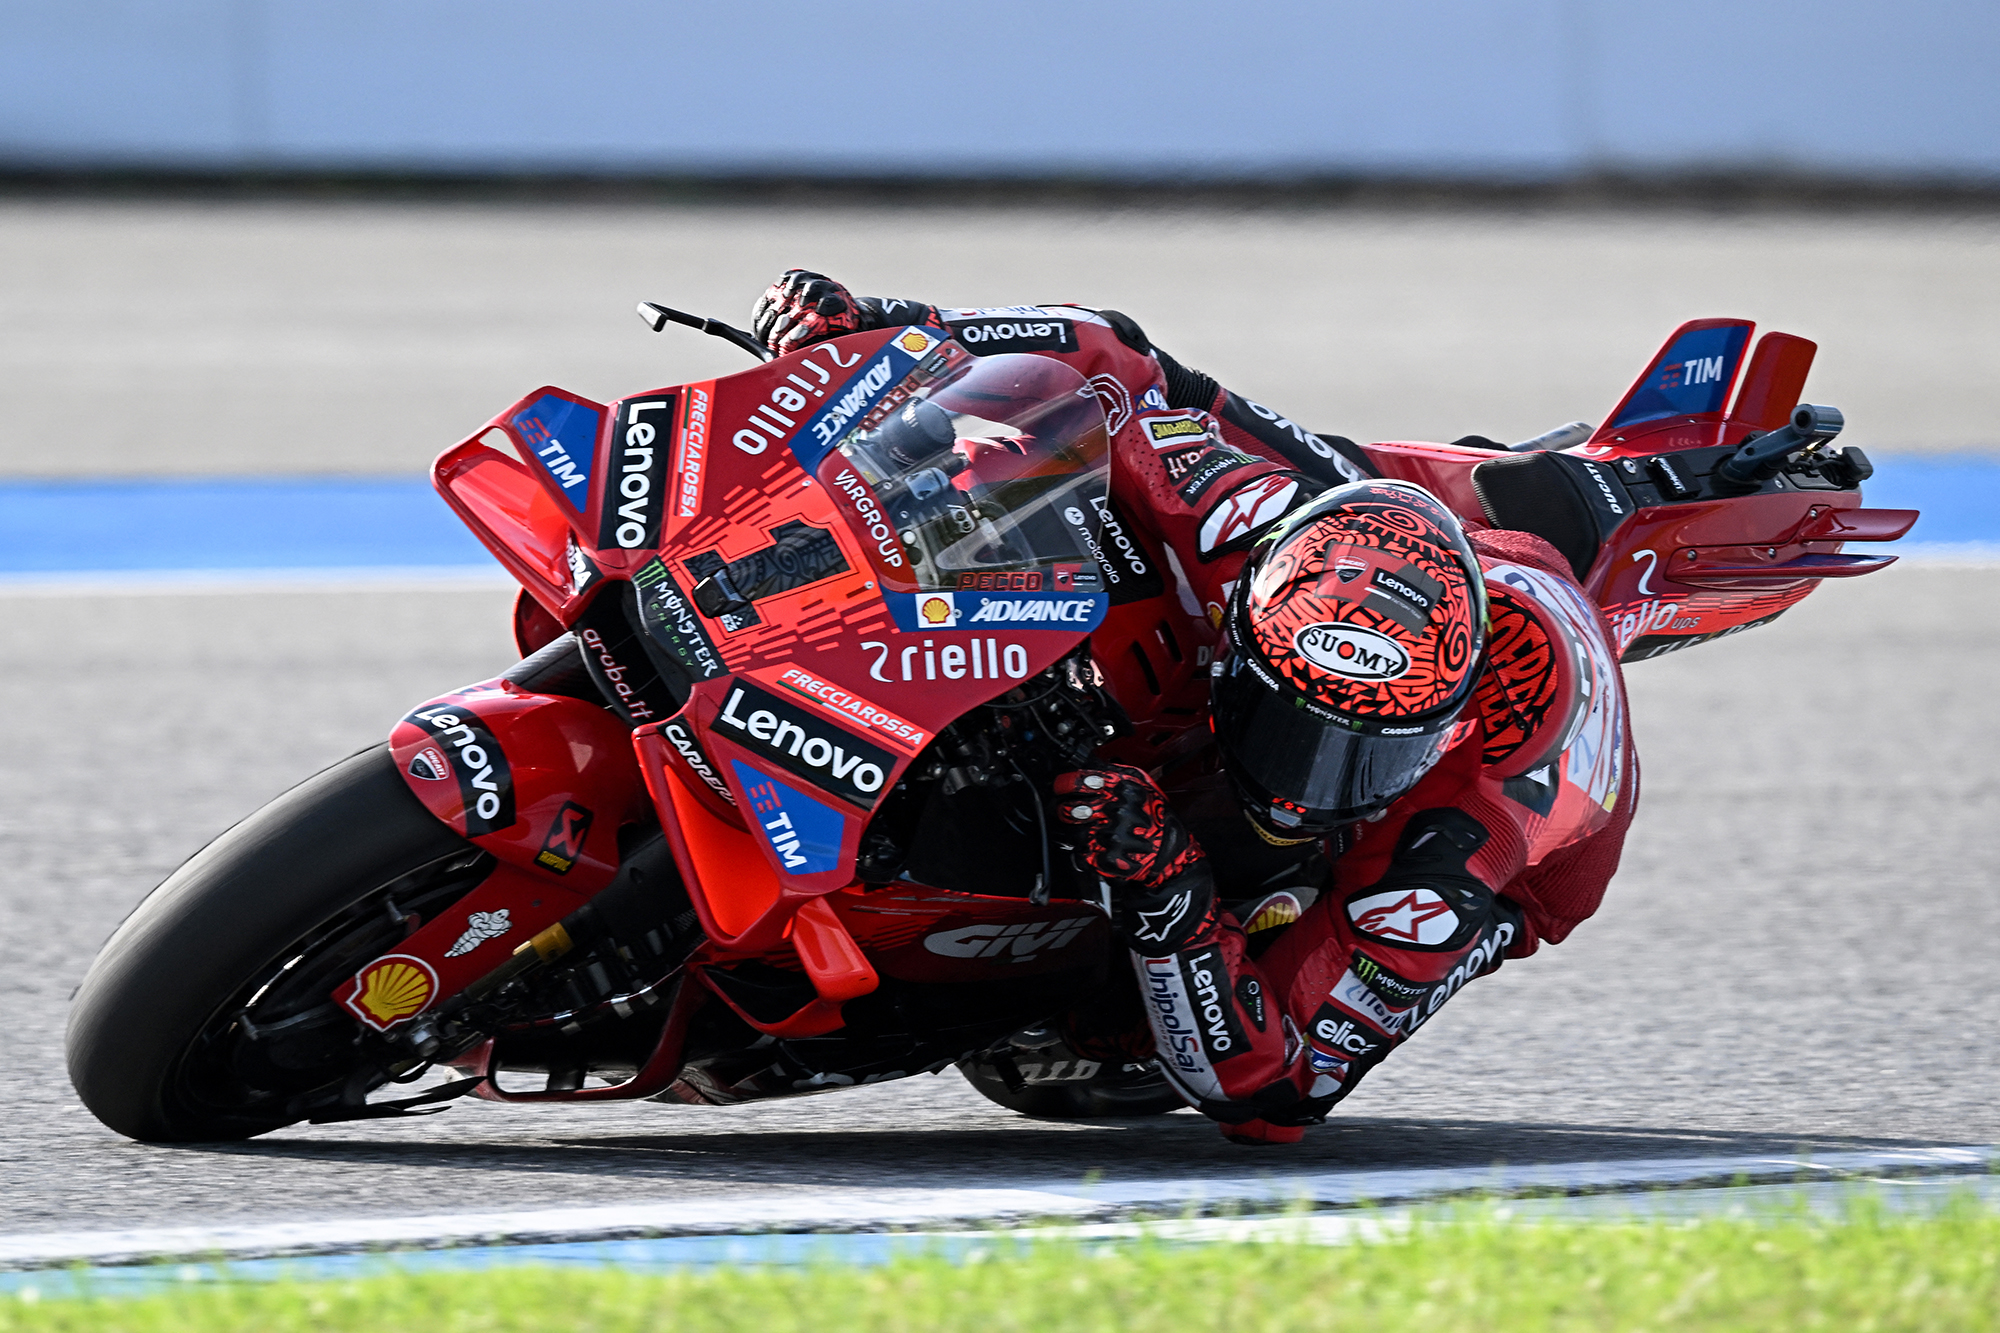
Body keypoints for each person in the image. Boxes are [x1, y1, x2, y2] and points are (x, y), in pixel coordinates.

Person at [750, 271, 1639, 1145]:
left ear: (1435, 731)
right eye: (1290, 728)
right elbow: (1108, 351)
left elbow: (1279, 1091)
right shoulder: (1235, 515)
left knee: (1111, 1026)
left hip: (1517, 855)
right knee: (1043, 485)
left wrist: (1172, 894)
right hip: (1415, 543)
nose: (1301, 787)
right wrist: (884, 324)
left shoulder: (1466, 838)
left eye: (1353, 754)